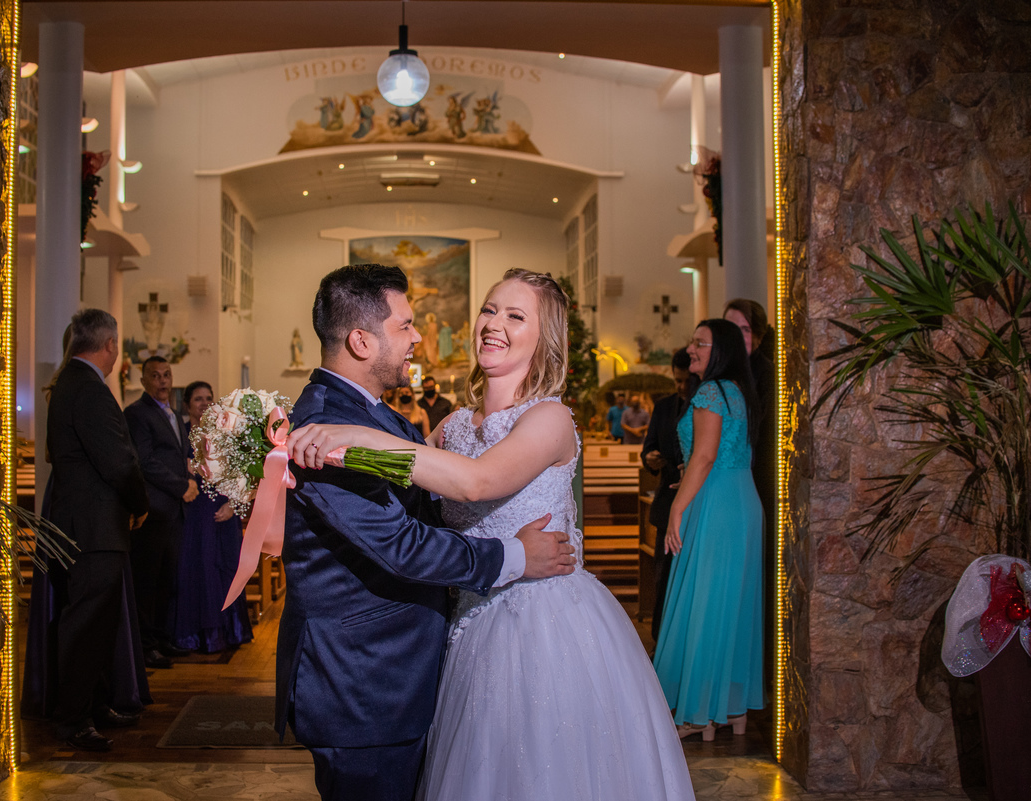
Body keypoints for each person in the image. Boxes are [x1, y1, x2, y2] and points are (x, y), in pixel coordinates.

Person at [288, 269, 695, 801]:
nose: (493, 323)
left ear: (544, 339)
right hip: (463, 626)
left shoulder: (549, 418)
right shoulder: (453, 427)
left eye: (515, 315)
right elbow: (412, 508)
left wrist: (356, 436)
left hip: (544, 624)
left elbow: (476, 482)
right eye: (489, 309)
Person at [275, 263, 578, 801]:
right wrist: (514, 556)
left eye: (515, 315)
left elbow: (456, 488)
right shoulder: (330, 428)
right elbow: (402, 541)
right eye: (406, 326)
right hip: (364, 679)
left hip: (497, 636)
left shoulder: (370, 419)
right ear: (362, 341)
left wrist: (364, 437)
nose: (419, 337)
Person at [22, 324, 153, 726]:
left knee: (95, 625)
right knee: (85, 626)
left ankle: (93, 707)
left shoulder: (68, 382)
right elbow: (118, 461)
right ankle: (75, 719)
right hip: (93, 527)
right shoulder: (89, 388)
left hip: (80, 523)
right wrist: (140, 503)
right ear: (110, 344)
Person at [653, 318, 765, 740]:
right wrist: (690, 477)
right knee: (730, 606)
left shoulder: (710, 392)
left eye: (700, 343)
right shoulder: (738, 391)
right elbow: (720, 455)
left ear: (721, 351)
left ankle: (697, 715)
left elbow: (704, 458)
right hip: (742, 499)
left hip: (714, 504)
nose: (691, 349)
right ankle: (730, 710)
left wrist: (677, 508)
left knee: (702, 603)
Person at [123, 357, 200, 669]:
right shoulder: (137, 413)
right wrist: (181, 486)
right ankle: (145, 646)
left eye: (167, 375)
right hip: (154, 509)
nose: (163, 381)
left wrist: (189, 477)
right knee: (147, 580)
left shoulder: (173, 414)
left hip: (174, 511)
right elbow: (145, 460)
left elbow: (177, 456)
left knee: (167, 578)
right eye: (155, 376)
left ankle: (162, 637)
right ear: (143, 381)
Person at [169, 381, 253, 653]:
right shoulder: (179, 435)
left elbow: (244, 475)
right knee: (198, 569)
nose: (204, 403)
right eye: (198, 399)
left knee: (225, 567)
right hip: (194, 511)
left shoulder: (225, 433)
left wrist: (233, 504)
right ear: (186, 405)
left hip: (223, 509)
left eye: (208, 398)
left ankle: (230, 631)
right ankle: (198, 635)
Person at [724, 297, 778, 684]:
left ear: (758, 335)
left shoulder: (766, 374)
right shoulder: (727, 375)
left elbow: (760, 441)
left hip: (755, 486)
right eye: (731, 328)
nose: (738, 337)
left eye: (744, 329)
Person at [641, 348, 693, 643]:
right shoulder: (663, 408)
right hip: (667, 501)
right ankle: (659, 642)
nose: (682, 387)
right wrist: (650, 458)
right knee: (663, 578)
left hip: (696, 504)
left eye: (686, 381)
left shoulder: (704, 406)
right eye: (677, 381)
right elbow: (648, 448)